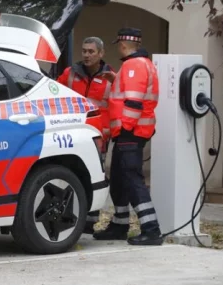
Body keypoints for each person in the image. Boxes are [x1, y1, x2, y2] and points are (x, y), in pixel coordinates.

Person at [94, 27, 163, 245]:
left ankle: (151, 230)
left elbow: (133, 101)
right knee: (119, 179)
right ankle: (119, 224)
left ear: (123, 45)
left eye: (119, 46)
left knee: (132, 180)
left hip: (129, 133)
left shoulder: (133, 65)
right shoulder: (141, 64)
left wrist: (125, 128)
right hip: (130, 133)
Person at [57, 36, 115, 234]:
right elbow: (55, 95)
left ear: (101, 54)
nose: (87, 55)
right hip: (72, 135)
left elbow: (116, 106)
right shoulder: (70, 73)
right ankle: (74, 217)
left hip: (99, 137)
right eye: (84, 51)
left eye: (91, 51)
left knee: (95, 177)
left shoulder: (111, 78)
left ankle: (91, 221)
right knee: (74, 176)